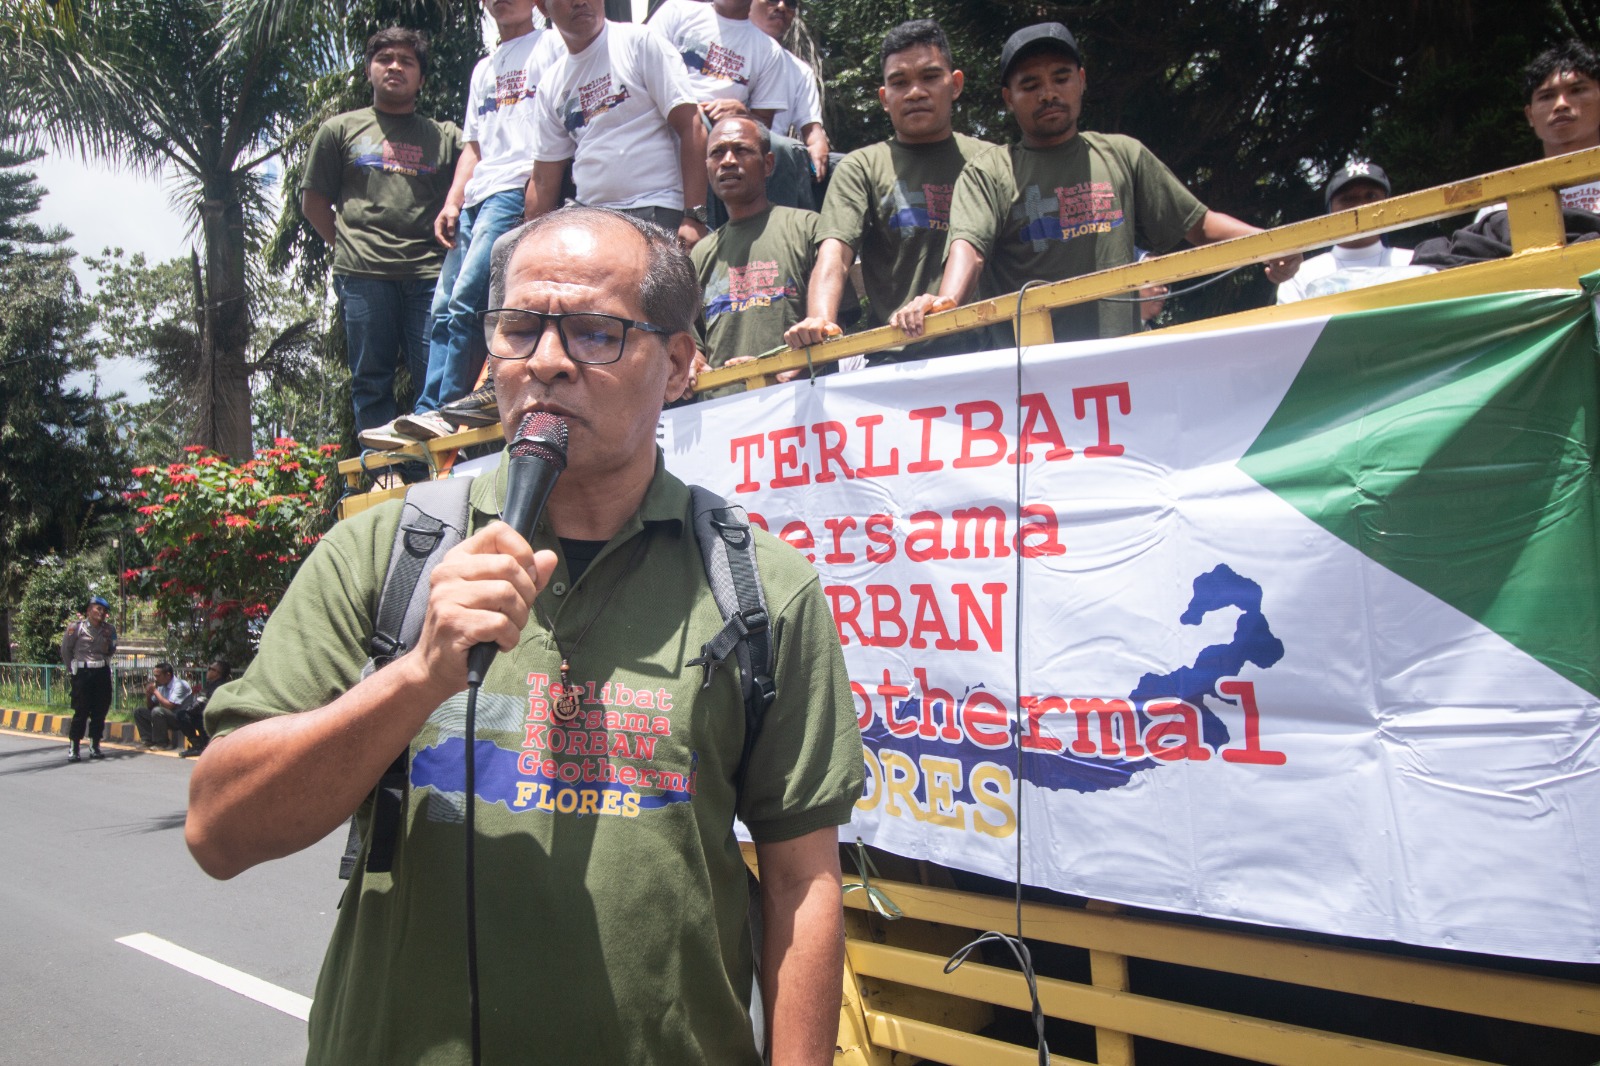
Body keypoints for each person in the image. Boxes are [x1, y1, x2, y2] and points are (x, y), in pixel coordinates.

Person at [186, 206, 863, 1066]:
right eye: (518, 329)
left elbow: (803, 882)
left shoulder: (764, 589)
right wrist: (419, 675)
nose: (547, 363)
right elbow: (219, 829)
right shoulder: (382, 553)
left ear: (683, 364)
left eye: (595, 333)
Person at [897, 22, 1300, 344]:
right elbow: (970, 250)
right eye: (1030, 85)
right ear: (1008, 97)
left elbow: (1199, 224)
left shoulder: (1124, 154)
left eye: (1061, 78)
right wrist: (946, 300)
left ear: (1082, 80)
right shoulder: (989, 172)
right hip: (1027, 381)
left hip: (1117, 366)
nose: (1048, 94)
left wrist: (1268, 244)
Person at [378, 0, 556, 450]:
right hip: (478, 194)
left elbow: (556, 129)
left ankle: (446, 410)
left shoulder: (551, 45)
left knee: (464, 304)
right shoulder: (484, 68)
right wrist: (453, 199)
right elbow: (472, 146)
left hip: (515, 187)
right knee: (441, 309)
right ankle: (424, 411)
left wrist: (540, 188)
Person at [786, 19, 993, 364]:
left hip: (985, 350)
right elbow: (835, 253)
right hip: (895, 363)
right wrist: (820, 318)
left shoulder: (991, 160)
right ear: (884, 97)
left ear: (955, 84)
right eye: (900, 82)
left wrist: (945, 303)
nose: (915, 92)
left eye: (929, 77)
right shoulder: (862, 167)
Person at [301, 28, 461, 444]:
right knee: (371, 378)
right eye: (385, 59)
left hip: (429, 275)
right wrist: (347, 246)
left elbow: (483, 157)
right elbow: (314, 202)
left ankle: (440, 467)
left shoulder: (444, 136)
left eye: (407, 61)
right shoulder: (339, 130)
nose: (395, 67)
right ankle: (383, 471)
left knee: (438, 376)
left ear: (421, 79)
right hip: (364, 275)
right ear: (369, 70)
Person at [526, 0, 710, 249]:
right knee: (504, 248)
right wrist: (529, 245)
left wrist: (694, 217)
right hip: (590, 219)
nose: (580, 2)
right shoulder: (551, 85)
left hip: (654, 210)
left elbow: (692, 126)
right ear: (543, 8)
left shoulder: (639, 43)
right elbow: (543, 180)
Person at [691, 114, 850, 388]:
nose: (728, 160)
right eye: (717, 153)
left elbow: (838, 326)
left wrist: (784, 374)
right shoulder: (700, 254)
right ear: (707, 167)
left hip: (800, 407)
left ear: (768, 164)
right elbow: (694, 345)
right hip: (722, 418)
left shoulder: (808, 228)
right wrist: (692, 365)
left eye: (741, 150)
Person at [648, 0, 815, 215]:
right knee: (695, 121)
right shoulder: (677, 12)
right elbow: (642, 68)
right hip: (668, 116)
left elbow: (763, 124)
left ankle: (784, 230)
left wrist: (743, 113)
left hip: (720, 135)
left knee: (785, 149)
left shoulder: (768, 50)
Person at [1277, 162, 1429, 303]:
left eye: (1371, 196)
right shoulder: (1302, 276)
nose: (1360, 206)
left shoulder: (1416, 264)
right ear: (1330, 210)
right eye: (1348, 199)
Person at [749, 0, 830, 185]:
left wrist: (818, 146)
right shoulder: (725, 47)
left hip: (771, 165)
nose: (781, 6)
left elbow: (812, 130)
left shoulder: (800, 71)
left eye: (791, 3)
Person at [61, 594, 117, 762]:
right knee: (81, 711)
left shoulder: (109, 629)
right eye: (98, 609)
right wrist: (72, 668)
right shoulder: (75, 628)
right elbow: (66, 650)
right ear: (88, 610)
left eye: (104, 610)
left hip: (101, 671)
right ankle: (74, 747)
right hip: (83, 673)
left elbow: (112, 648)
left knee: (100, 710)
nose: (101, 613)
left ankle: (95, 745)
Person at [176, 658, 230, 758]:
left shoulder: (217, 686)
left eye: (210, 669)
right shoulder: (216, 684)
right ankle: (202, 745)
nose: (208, 671)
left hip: (213, 719)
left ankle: (198, 746)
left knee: (182, 715)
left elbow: (200, 704)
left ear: (218, 673)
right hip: (214, 718)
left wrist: (187, 711)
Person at [138, 662, 193, 751]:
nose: (156, 679)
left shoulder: (180, 685)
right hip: (167, 716)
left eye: (158, 676)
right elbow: (150, 707)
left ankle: (162, 743)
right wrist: (148, 695)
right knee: (139, 711)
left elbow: (170, 706)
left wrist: (155, 692)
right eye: (155, 676)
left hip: (180, 718)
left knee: (158, 711)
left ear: (168, 675)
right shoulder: (161, 686)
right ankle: (147, 740)